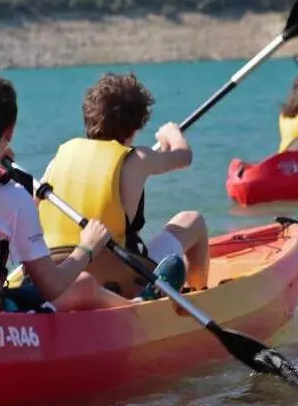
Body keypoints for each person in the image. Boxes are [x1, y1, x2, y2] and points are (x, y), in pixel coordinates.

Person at [0, 74, 183, 312]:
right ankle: (137, 307)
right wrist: (88, 247)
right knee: (83, 285)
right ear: (10, 132)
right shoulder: (10, 195)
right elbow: (53, 286)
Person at [36, 72, 204, 298]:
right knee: (192, 221)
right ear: (135, 126)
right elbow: (183, 157)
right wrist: (172, 134)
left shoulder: (61, 156)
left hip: (60, 272)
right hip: (118, 274)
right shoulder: (138, 159)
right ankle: (199, 296)